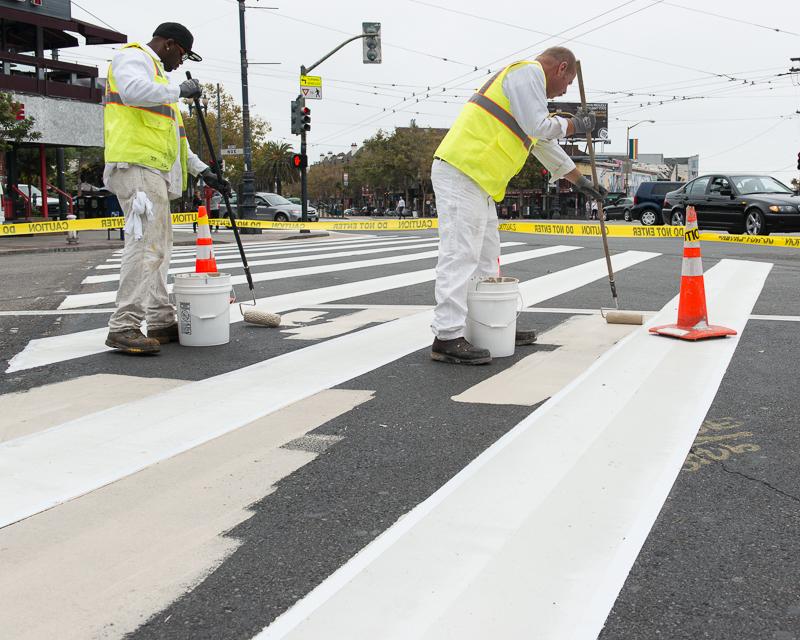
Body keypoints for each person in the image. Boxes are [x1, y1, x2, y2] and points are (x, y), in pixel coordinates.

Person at [430, 46, 607, 365]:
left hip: (478, 179)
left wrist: (581, 182)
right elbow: (541, 127)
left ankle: (489, 327)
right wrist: (575, 125)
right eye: (566, 83)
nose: (564, 91)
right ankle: (447, 336)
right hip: (462, 170)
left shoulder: (530, 97)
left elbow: (544, 145)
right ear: (561, 68)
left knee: (486, 259)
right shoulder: (527, 73)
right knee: (461, 254)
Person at [103, 22, 230, 354]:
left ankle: (160, 319)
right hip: (136, 165)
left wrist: (205, 172)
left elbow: (178, 142)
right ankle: (124, 326)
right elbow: (131, 91)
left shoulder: (160, 83)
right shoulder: (134, 58)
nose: (181, 63)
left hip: (153, 171)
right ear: (171, 45)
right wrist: (180, 92)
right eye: (183, 55)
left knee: (159, 248)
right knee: (146, 246)